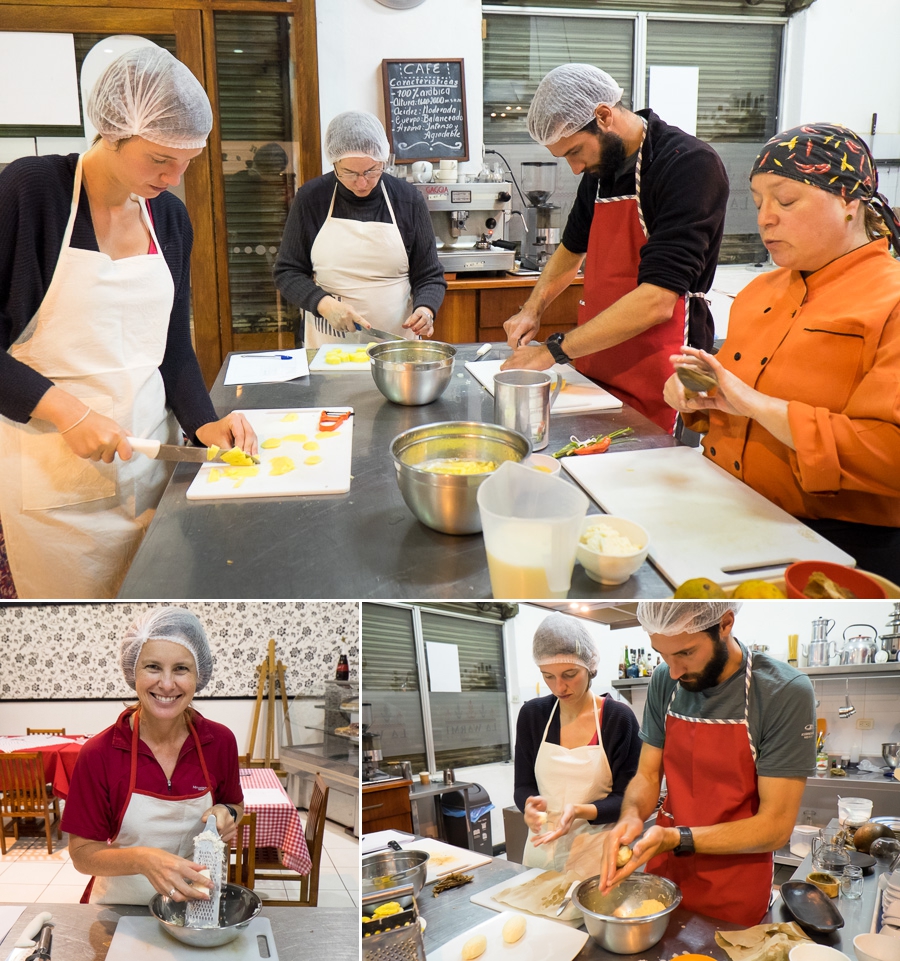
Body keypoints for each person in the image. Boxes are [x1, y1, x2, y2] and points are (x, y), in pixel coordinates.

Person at [0, 46, 257, 600]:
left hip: (150, 470)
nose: (175, 175)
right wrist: (66, 411)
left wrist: (204, 423)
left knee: (159, 601)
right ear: (111, 130)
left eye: (188, 161)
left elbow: (172, 348)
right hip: (56, 484)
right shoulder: (30, 194)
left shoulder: (168, 216)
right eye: (160, 158)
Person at [664, 122, 900, 581]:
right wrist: (697, 395)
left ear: (849, 202)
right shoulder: (760, 291)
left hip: (838, 546)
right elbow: (734, 400)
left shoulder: (890, 301)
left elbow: (890, 455)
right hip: (730, 511)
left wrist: (754, 403)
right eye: (758, 203)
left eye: (786, 200)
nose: (764, 218)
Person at [500, 64, 729, 432]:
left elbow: (656, 301)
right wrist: (533, 308)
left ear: (604, 115)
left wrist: (551, 351)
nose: (575, 169)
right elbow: (570, 250)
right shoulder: (601, 171)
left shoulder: (688, 165)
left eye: (575, 151)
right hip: (600, 357)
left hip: (664, 365)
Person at [600, 602, 815, 926]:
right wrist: (630, 816)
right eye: (662, 655)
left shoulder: (782, 692)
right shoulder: (665, 681)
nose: (673, 670)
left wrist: (677, 838)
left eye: (685, 653)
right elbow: (646, 774)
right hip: (666, 872)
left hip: (734, 884)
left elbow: (775, 826)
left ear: (725, 624)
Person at [62, 607, 244, 904]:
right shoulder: (99, 753)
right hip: (121, 909)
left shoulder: (220, 742)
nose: (168, 684)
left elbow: (235, 803)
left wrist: (229, 813)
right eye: (153, 667)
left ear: (199, 675)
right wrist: (144, 860)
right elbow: (82, 855)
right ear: (133, 670)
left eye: (181, 669)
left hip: (194, 904)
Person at [273, 110, 446, 347]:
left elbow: (429, 274)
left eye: (371, 171)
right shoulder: (312, 199)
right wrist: (324, 304)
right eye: (350, 173)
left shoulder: (408, 200)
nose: (362, 183)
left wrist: (426, 309)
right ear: (334, 163)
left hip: (395, 344)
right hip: (329, 343)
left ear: (383, 160)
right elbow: (287, 272)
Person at [514, 612, 642, 871]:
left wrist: (581, 810)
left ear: (589, 666)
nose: (559, 687)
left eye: (569, 674)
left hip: (596, 858)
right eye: (548, 676)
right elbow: (523, 785)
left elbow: (628, 800)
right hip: (540, 856)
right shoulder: (533, 715)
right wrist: (528, 805)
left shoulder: (618, 718)